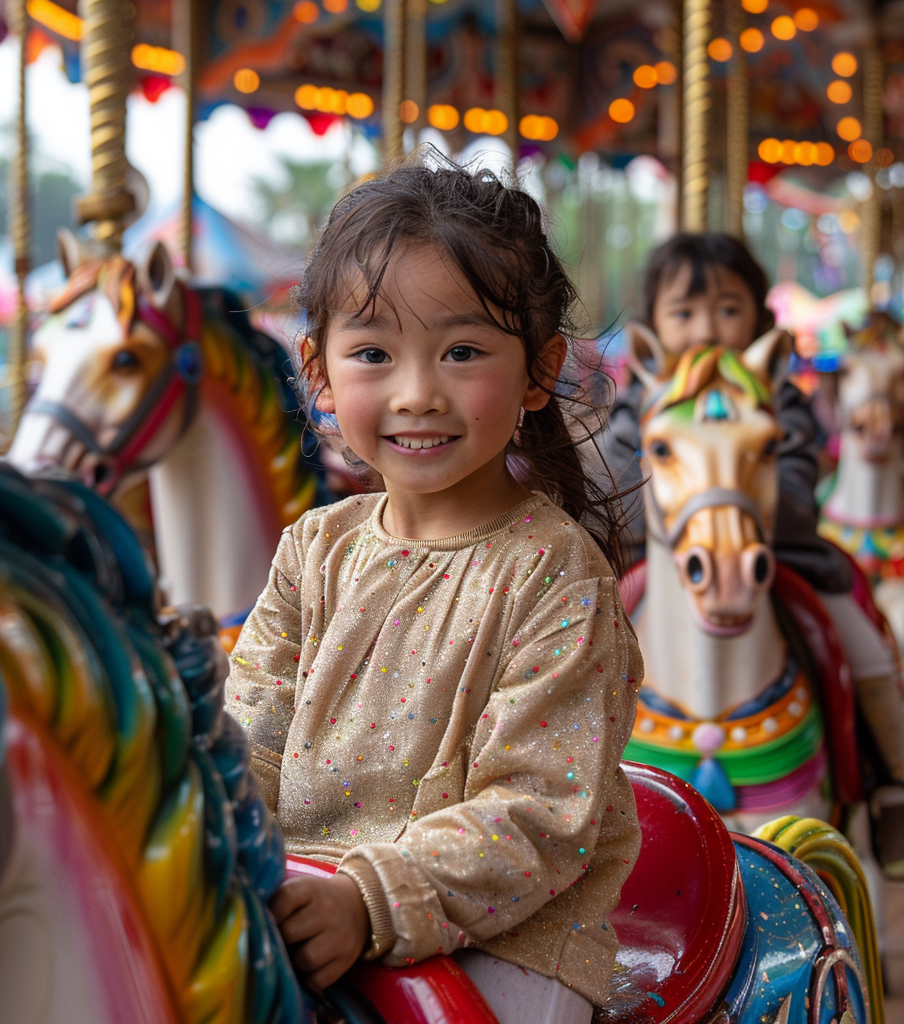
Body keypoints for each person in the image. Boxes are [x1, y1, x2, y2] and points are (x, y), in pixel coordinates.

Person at [225, 159, 642, 1024]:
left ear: (539, 372)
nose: (417, 394)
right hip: (302, 900)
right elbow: (251, 740)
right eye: (374, 354)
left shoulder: (553, 573)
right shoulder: (313, 551)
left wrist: (369, 899)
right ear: (319, 373)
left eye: (462, 352)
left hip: (508, 932)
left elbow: (538, 811)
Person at [599, 233, 904, 873]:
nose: (707, 328)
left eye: (727, 310)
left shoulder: (777, 397)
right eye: (684, 313)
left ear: (758, 319)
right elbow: (615, 483)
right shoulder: (643, 397)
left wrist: (756, 505)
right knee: (583, 630)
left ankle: (889, 781)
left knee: (856, 634)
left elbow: (800, 481)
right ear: (655, 326)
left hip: (776, 551)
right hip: (660, 558)